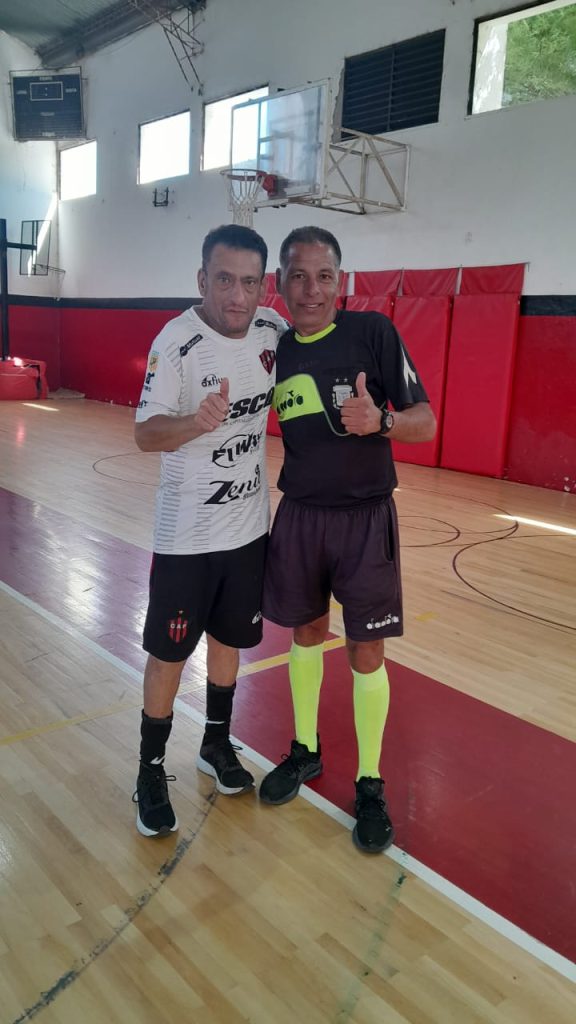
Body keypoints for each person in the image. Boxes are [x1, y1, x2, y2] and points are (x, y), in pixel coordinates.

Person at [260, 226, 436, 853]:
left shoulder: (373, 334)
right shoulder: (273, 349)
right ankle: (305, 750)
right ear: (279, 283)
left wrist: (380, 419)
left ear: (341, 281)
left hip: (365, 520)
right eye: (298, 275)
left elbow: (425, 422)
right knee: (306, 635)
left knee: (366, 649)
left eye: (324, 276)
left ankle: (369, 781)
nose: (311, 289)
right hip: (301, 515)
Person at [133, 224, 286, 837]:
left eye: (249, 282)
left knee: (230, 641)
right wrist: (194, 424)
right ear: (202, 279)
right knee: (169, 654)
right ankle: (149, 769)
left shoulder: (272, 330)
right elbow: (145, 434)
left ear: (263, 286)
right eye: (224, 280)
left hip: (247, 529)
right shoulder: (175, 343)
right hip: (186, 538)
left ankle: (215, 742)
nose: (237, 296)